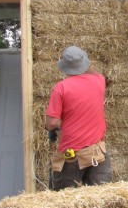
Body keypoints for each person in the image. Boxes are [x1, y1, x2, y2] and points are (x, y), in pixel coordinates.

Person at [45, 46, 111, 190]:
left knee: (64, 199)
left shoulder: (60, 88)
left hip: (72, 154)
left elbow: (51, 123)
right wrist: (84, 64)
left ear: (65, 67)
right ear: (85, 63)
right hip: (97, 151)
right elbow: (95, 72)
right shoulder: (99, 81)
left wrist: (52, 128)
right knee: (101, 199)